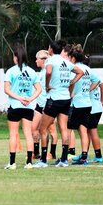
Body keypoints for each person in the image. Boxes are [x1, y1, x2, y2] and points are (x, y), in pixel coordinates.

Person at [33, 40, 84, 168]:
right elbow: (80, 72)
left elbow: (49, 72)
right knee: (64, 130)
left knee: (42, 129)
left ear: (50, 49)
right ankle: (63, 160)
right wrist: (71, 82)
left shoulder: (50, 61)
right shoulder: (66, 62)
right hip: (66, 99)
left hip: (54, 99)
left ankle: (43, 160)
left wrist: (47, 84)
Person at [3, 46, 41, 170]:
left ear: (16, 57)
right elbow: (39, 89)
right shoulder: (31, 71)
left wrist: (19, 98)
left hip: (15, 106)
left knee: (13, 134)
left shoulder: (11, 71)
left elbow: (6, 89)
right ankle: (29, 162)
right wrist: (30, 99)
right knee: (28, 134)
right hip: (28, 107)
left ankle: (12, 163)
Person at [67, 45, 97, 165]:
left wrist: (70, 94)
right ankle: (84, 157)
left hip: (76, 104)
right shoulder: (88, 69)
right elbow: (97, 81)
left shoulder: (74, 68)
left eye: (69, 57)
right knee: (83, 130)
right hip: (87, 103)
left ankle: (65, 156)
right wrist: (88, 90)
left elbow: (71, 82)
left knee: (67, 129)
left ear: (73, 58)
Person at [32, 50, 58, 160]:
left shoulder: (48, 72)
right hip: (39, 104)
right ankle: (36, 152)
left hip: (47, 104)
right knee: (33, 128)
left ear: (43, 60)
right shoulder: (40, 73)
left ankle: (51, 153)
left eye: (37, 58)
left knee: (51, 129)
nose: (35, 61)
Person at [84, 56, 103, 163]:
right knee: (88, 132)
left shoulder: (87, 74)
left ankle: (98, 156)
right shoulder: (92, 73)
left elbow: (99, 84)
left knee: (92, 132)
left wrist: (87, 90)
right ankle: (85, 154)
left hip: (92, 108)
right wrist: (102, 101)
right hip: (97, 107)